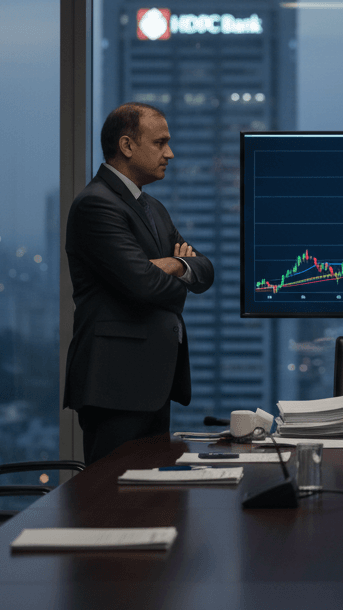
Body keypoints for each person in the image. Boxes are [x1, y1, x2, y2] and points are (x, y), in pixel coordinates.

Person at [63, 102, 214, 464]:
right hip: (115, 384)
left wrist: (173, 265)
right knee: (112, 502)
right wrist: (179, 272)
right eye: (160, 143)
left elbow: (205, 270)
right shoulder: (96, 205)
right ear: (127, 146)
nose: (170, 153)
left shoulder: (153, 208)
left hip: (152, 382)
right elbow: (144, 285)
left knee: (149, 501)